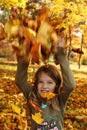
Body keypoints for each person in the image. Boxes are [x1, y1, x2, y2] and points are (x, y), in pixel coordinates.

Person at [15, 35, 76, 130]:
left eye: (49, 82)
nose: (44, 86)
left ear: (56, 85)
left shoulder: (59, 99)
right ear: (36, 83)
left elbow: (70, 86)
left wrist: (60, 54)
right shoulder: (32, 95)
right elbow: (20, 81)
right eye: (40, 82)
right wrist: (25, 54)